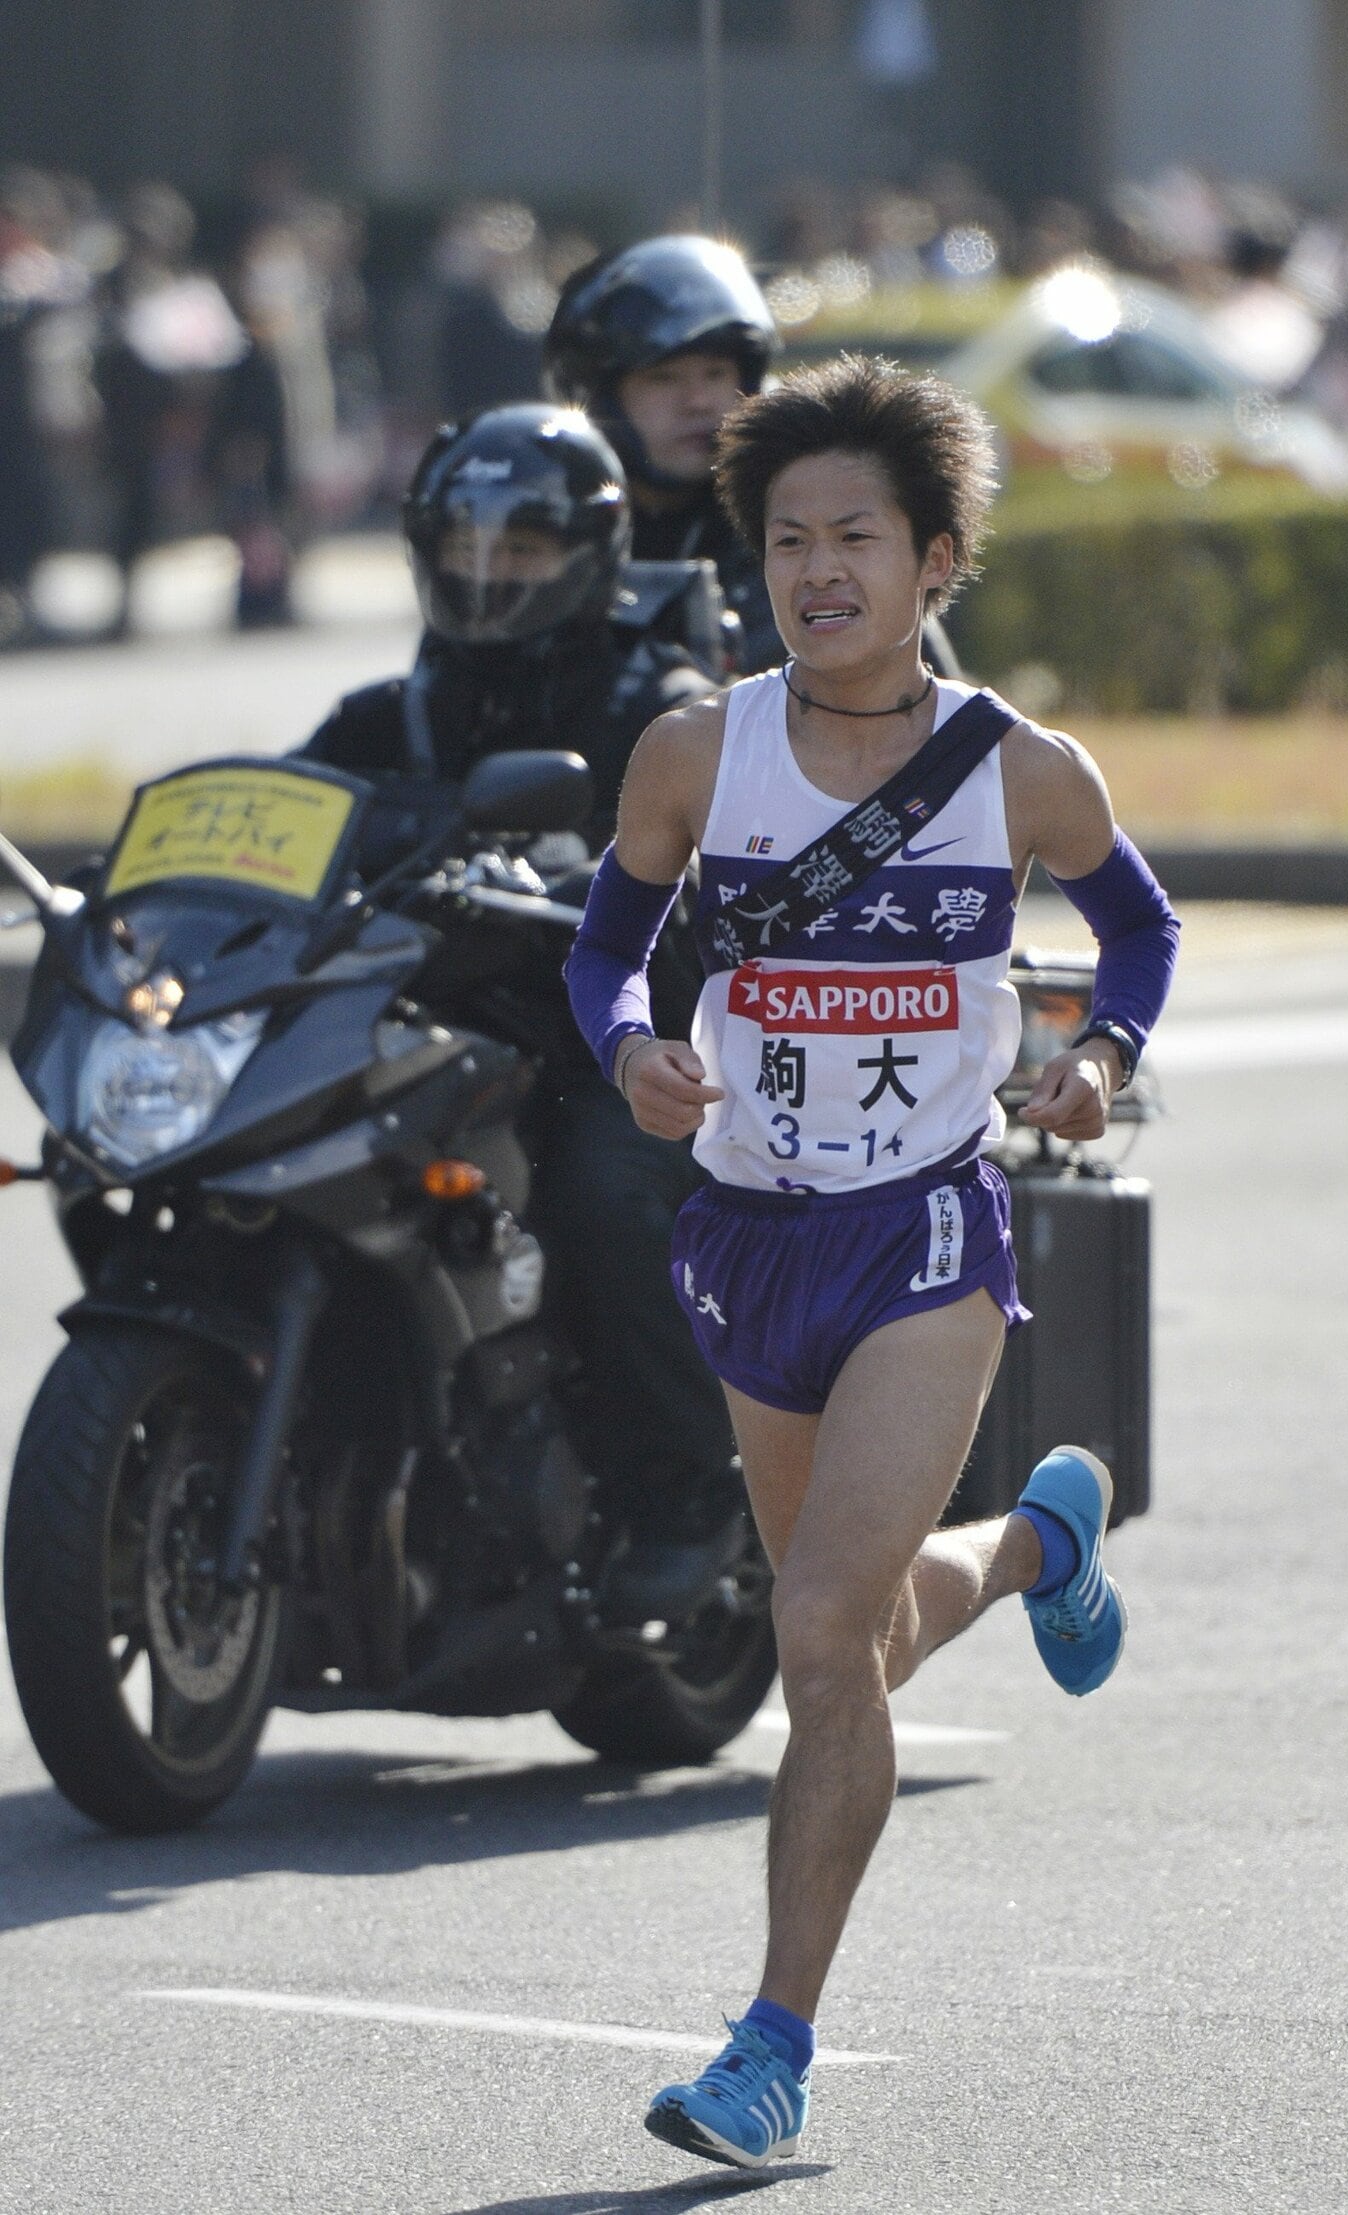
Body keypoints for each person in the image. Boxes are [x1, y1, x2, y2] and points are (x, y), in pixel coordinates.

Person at [566, 353, 1179, 2167]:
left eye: (854, 539)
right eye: (785, 542)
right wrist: (631, 1051)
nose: (815, 571)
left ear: (933, 562)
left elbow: (1136, 926)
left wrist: (1099, 1059)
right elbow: (604, 952)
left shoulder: (1017, 770)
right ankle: (1046, 1538)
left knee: (817, 1627)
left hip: (926, 1232)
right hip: (745, 1238)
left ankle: (770, 2049)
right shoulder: (698, 750)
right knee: (861, 1639)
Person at [299, 402, 744, 1604]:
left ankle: (693, 1491)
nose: (489, 577)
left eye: (526, 552)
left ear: (591, 555)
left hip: (630, 1043)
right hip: (439, 1030)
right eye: (467, 549)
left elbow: (712, 860)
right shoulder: (393, 713)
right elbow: (284, 822)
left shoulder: (665, 699)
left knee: (600, 1193)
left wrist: (580, 881)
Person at [542, 234, 786, 672]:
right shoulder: (553, 522)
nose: (698, 401)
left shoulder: (794, 517)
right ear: (600, 395)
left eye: (715, 374)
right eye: (664, 378)